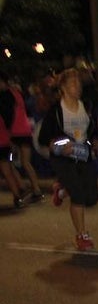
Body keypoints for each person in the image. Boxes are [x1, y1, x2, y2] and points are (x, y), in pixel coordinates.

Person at [37, 68, 98, 250]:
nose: (77, 87)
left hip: (83, 155)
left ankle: (62, 190)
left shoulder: (86, 107)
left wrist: (96, 141)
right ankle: (82, 235)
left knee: (91, 198)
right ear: (63, 88)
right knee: (78, 195)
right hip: (63, 159)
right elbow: (43, 138)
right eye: (73, 83)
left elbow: (94, 130)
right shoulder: (56, 111)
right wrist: (58, 146)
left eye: (79, 83)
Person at [0, 71, 45, 207]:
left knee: (9, 164)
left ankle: (22, 189)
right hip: (25, 130)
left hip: (13, 133)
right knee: (25, 162)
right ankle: (35, 189)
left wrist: (8, 133)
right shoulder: (17, 93)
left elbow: (8, 116)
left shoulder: (5, 96)